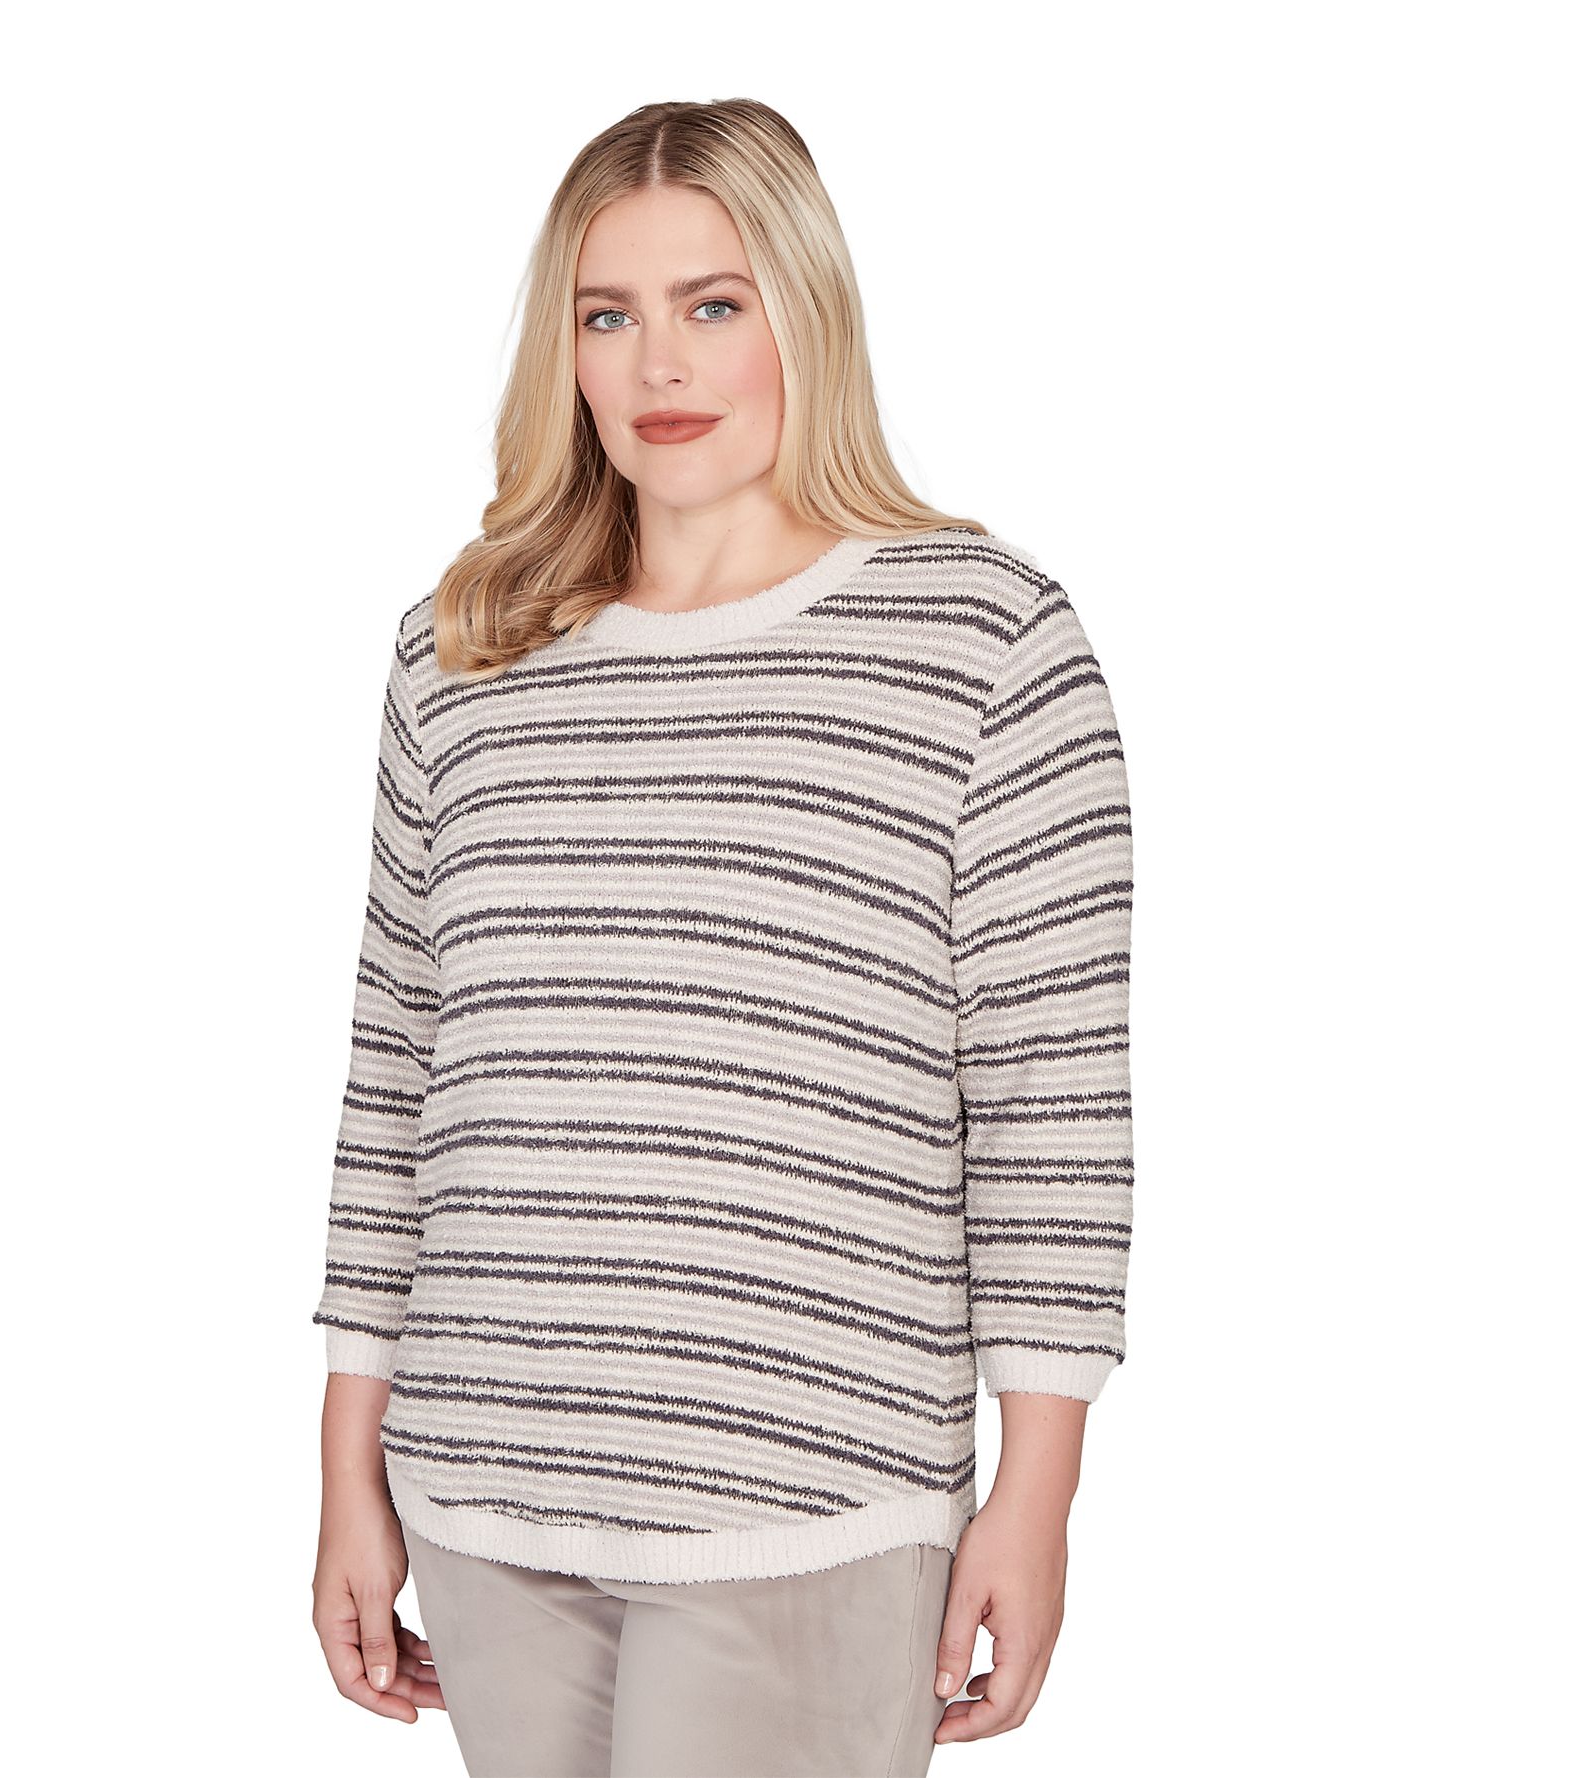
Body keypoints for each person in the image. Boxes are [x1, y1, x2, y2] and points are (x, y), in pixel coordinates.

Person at [309, 97, 1136, 1778]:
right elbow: (396, 1073)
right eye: (608, 314)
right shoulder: (460, 656)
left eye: (713, 303)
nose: (660, 363)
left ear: (803, 312)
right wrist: (349, 1466)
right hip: (485, 1487)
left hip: (810, 1491)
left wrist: (1036, 1487)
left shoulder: (982, 643)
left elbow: (1050, 1106)